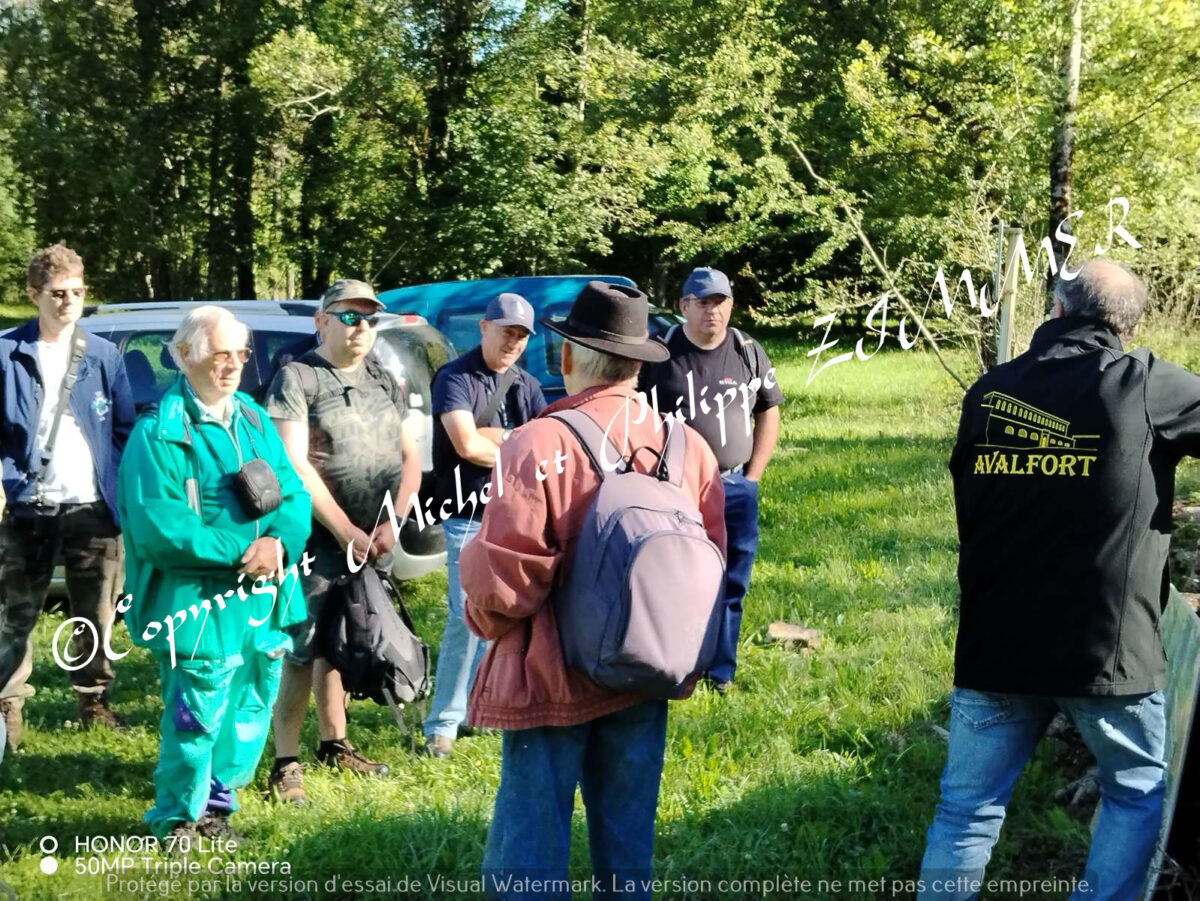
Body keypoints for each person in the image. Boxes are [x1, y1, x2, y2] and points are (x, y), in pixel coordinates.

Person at [918, 260, 1200, 901]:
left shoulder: (991, 392)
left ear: (1057, 309)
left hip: (997, 647)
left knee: (965, 812)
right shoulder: (1146, 384)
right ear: (1127, 325)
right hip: (1106, 652)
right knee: (1133, 796)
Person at [462, 281, 726, 898]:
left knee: (528, 854)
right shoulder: (690, 448)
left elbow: (506, 580)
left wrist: (483, 621)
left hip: (549, 677)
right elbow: (711, 563)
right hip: (646, 670)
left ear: (565, 359)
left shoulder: (536, 444)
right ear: (637, 364)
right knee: (628, 849)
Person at [117, 305, 312, 841]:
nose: (232, 365)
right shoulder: (158, 435)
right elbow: (160, 527)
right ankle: (178, 817)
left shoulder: (250, 416)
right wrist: (244, 552)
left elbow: (293, 493)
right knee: (196, 711)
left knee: (251, 702)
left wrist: (279, 543)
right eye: (219, 353)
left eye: (240, 353)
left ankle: (218, 808)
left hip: (263, 596)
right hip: (197, 602)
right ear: (184, 356)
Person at [265, 279, 421, 802]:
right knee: (301, 650)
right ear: (322, 321)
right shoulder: (298, 376)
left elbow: (410, 458)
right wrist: (345, 530)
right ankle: (285, 763)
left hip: (373, 538)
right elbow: (294, 465)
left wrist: (392, 522)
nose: (361, 328)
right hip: (316, 539)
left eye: (369, 318)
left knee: (343, 641)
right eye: (350, 317)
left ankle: (335, 743)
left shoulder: (380, 374)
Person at [0, 243, 136, 749]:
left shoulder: (103, 354)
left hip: (93, 508)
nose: (68, 302)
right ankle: (7, 708)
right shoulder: (7, 352)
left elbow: (123, 428)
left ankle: (93, 699)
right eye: (57, 293)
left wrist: (116, 490)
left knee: (96, 613)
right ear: (34, 294)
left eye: (77, 292)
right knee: (17, 613)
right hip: (26, 505)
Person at [639, 266, 782, 691]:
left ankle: (721, 671)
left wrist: (753, 476)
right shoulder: (659, 353)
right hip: (675, 488)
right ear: (683, 307)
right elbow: (635, 417)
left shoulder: (747, 350)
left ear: (731, 305)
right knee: (676, 578)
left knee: (731, 581)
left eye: (719, 302)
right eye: (702, 303)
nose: (711, 312)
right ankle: (678, 665)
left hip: (734, 484)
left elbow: (768, 410)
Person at [421, 292, 546, 760]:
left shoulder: (527, 386)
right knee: (465, 620)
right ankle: (444, 724)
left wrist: (498, 438)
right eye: (506, 331)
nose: (512, 341)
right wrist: (508, 443)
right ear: (484, 328)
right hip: (466, 519)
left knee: (510, 618)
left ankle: (487, 708)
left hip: (515, 518)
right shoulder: (455, 378)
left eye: (520, 335)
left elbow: (539, 453)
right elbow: (466, 445)